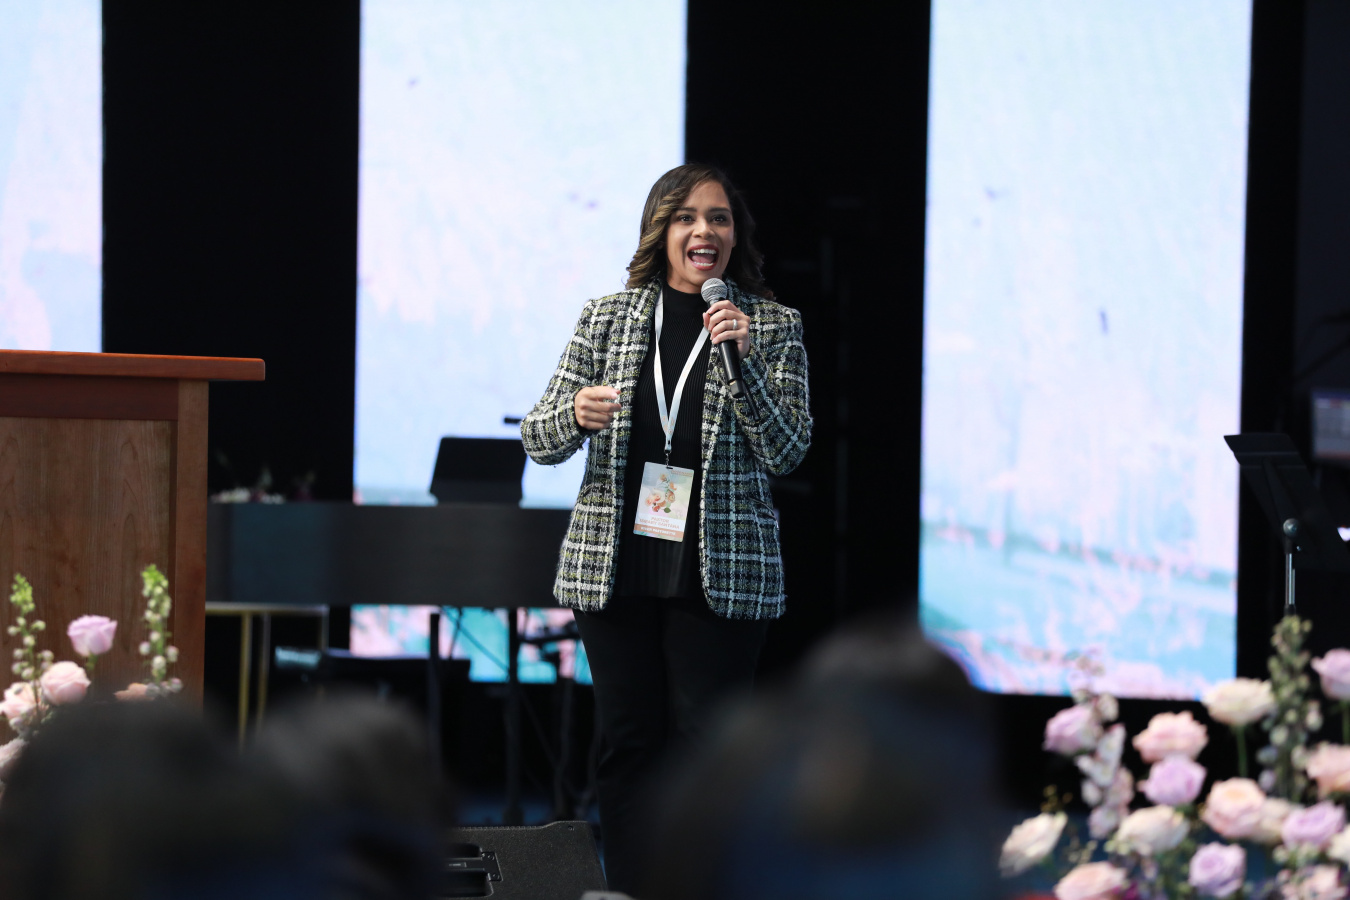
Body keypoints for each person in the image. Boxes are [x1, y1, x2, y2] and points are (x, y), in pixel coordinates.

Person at [521, 162, 812, 892]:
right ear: (661, 230)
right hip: (616, 564)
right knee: (628, 746)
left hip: (721, 567)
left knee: (707, 752)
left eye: (718, 217)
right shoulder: (607, 317)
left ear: (734, 236)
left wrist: (744, 360)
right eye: (686, 217)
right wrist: (574, 414)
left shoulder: (772, 327)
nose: (703, 231)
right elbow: (538, 437)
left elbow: (786, 450)